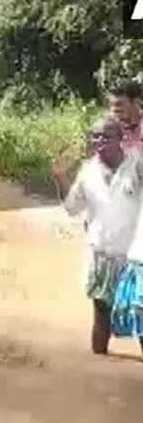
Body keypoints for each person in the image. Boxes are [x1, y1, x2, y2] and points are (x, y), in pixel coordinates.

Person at [53, 116, 143, 354]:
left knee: (140, 319)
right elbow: (72, 207)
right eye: (96, 136)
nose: (100, 141)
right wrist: (61, 178)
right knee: (101, 318)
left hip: (135, 260)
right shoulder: (87, 172)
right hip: (101, 256)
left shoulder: (136, 165)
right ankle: (99, 374)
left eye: (106, 136)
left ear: (121, 139)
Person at [107, 81, 143, 151]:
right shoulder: (110, 133)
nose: (114, 109)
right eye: (111, 105)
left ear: (136, 103)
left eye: (119, 104)